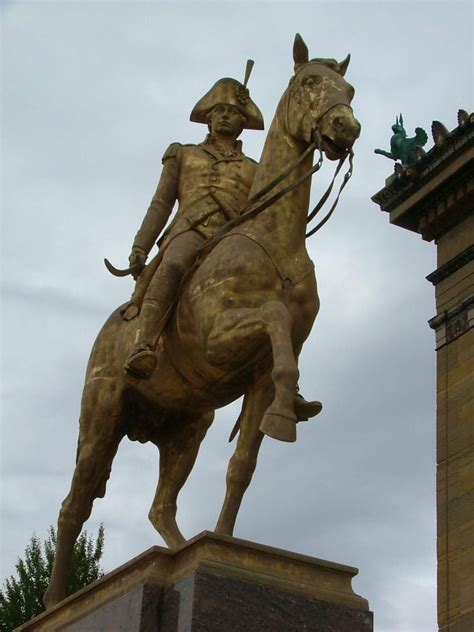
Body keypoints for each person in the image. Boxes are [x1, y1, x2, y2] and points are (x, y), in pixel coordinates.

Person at [124, 76, 264, 379]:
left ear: (242, 122)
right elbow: (160, 204)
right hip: (192, 231)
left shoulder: (255, 169)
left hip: (233, 241)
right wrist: (141, 246)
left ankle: (277, 373)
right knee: (173, 264)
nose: (225, 116)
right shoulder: (183, 153)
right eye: (219, 110)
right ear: (209, 119)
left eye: (233, 112)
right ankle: (143, 344)